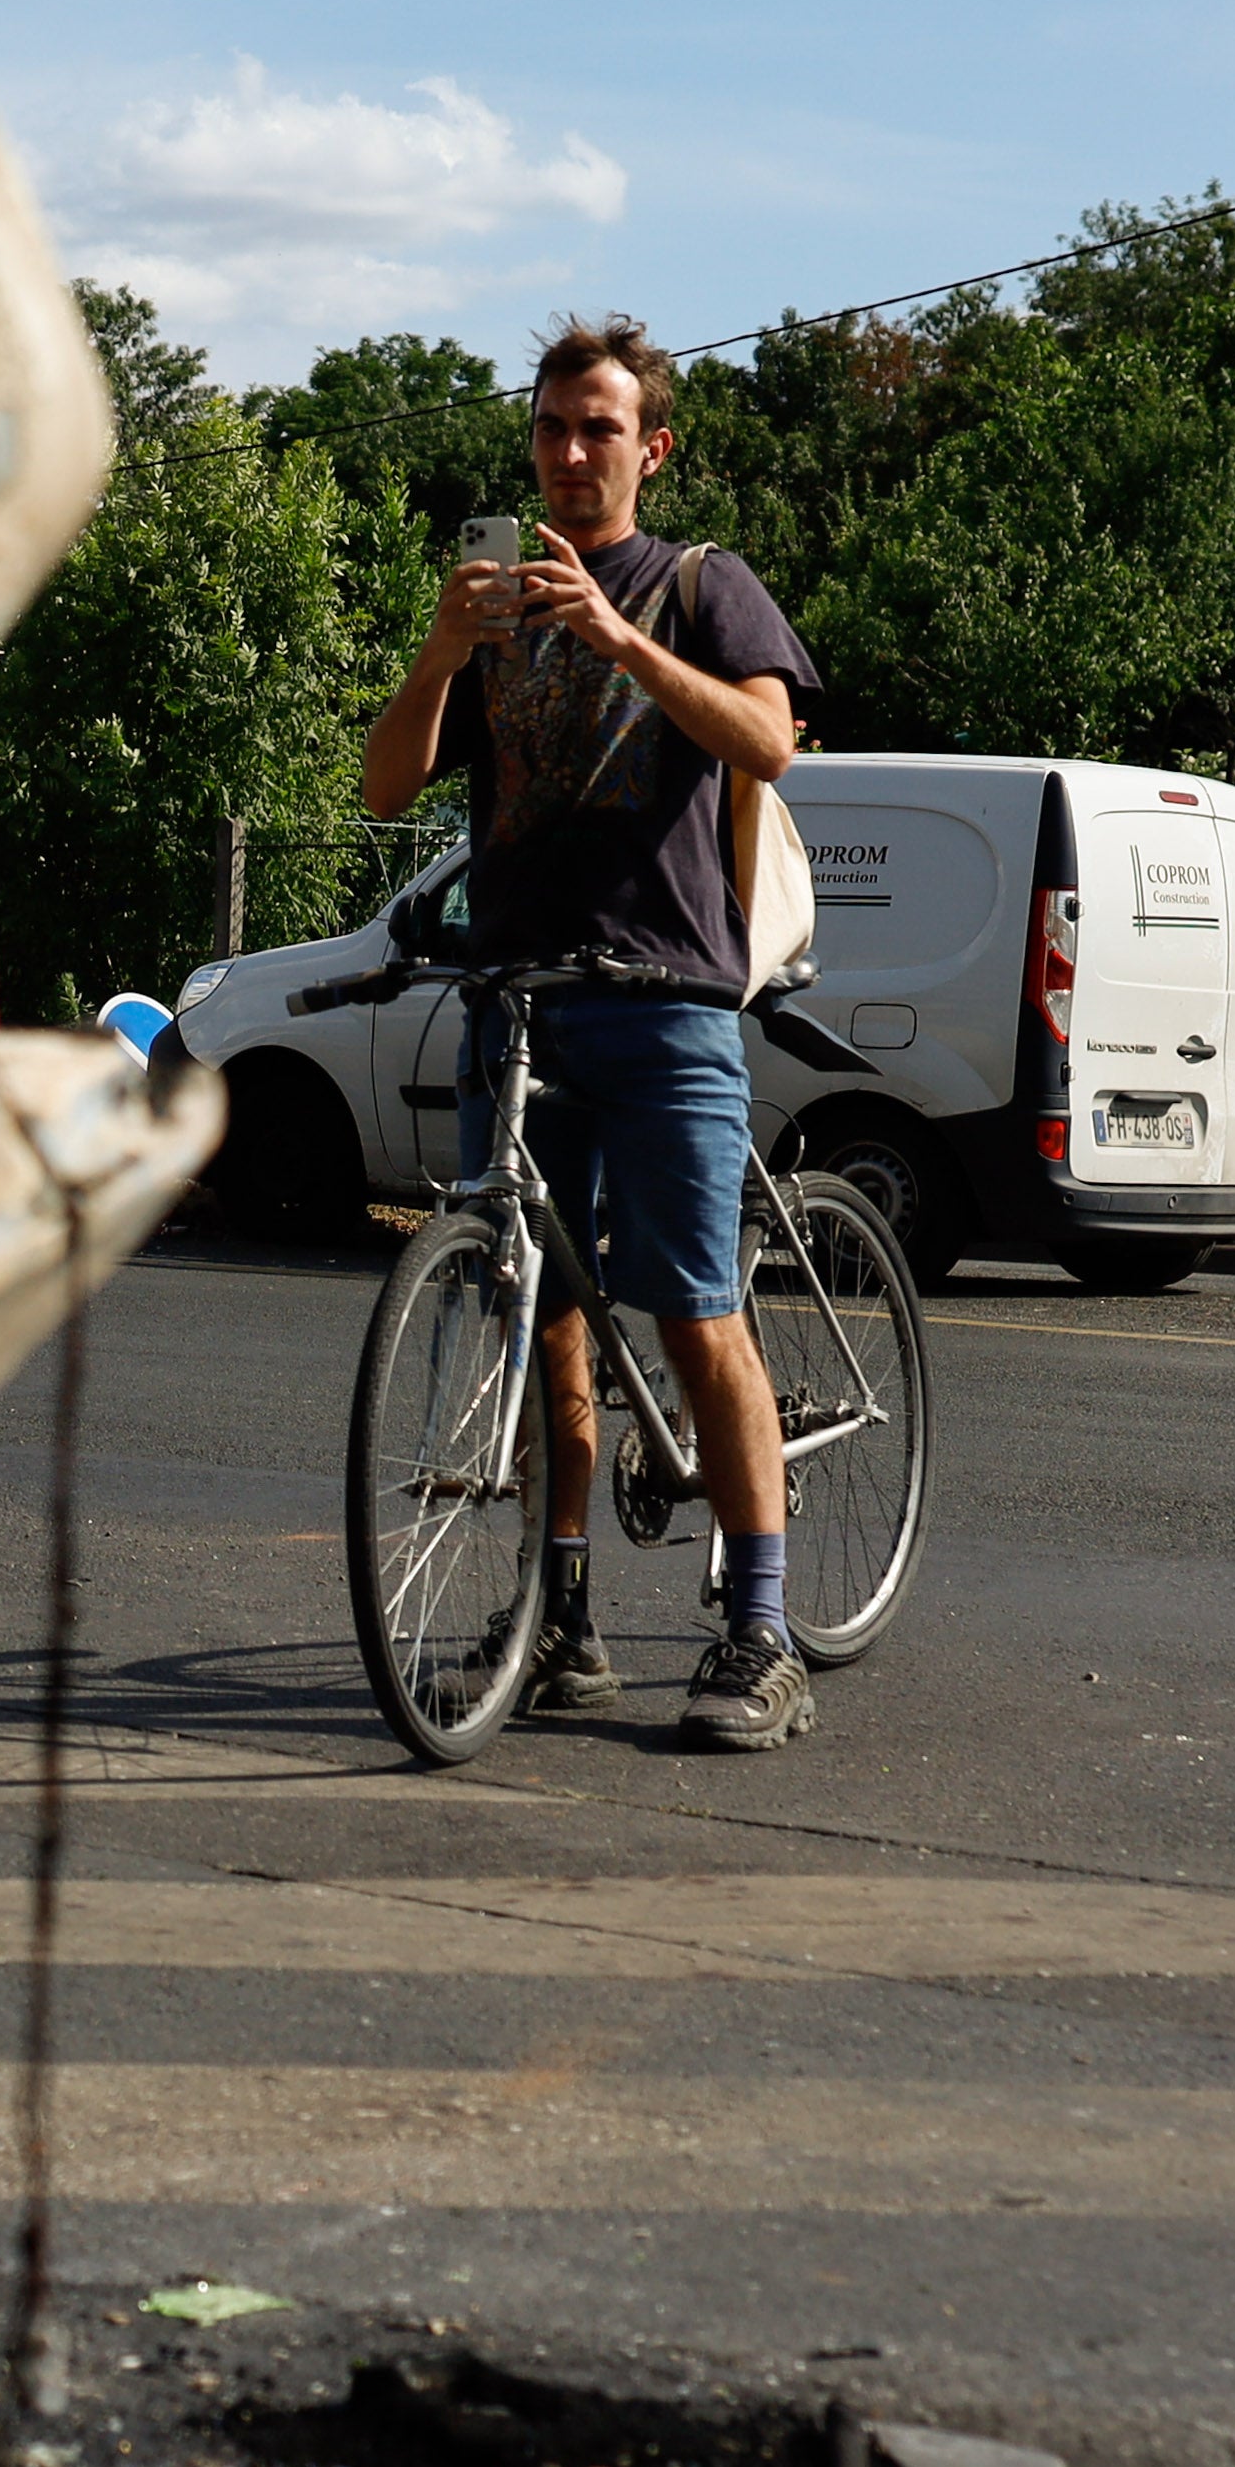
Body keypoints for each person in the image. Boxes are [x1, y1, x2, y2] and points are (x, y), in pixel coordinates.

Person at [353, 313, 826, 1749]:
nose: (569, 453)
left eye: (598, 429)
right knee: (543, 1316)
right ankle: (561, 1617)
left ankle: (758, 1627)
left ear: (650, 447)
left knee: (693, 1313)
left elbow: (767, 742)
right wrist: (442, 650)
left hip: (666, 999)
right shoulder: (491, 617)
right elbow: (385, 791)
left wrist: (620, 635)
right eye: (552, 429)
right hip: (521, 1002)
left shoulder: (698, 585)